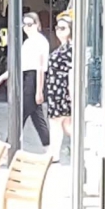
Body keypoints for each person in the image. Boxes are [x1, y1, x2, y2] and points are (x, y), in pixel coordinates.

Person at [0, 9, 51, 149]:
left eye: (30, 24)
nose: (27, 27)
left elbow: (40, 67)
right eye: (24, 24)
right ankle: (49, 145)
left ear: (37, 24)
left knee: (21, 113)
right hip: (27, 77)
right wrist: (1, 78)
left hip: (34, 78)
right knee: (36, 116)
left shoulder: (40, 41)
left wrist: (39, 90)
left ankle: (8, 145)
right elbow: (21, 65)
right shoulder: (28, 42)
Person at [44, 11, 75, 158]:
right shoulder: (62, 48)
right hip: (55, 89)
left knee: (57, 123)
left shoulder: (70, 49)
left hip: (61, 90)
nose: (59, 31)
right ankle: (81, 147)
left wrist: (71, 94)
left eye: (63, 28)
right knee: (65, 124)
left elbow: (71, 73)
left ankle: (54, 154)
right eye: (57, 28)